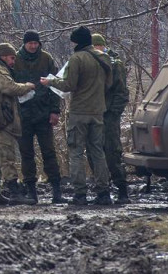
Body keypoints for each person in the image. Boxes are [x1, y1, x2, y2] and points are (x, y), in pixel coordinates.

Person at [40, 26, 114, 205]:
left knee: (76, 152)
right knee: (98, 152)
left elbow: (68, 84)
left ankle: (80, 193)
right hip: (98, 111)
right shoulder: (104, 58)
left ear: (78, 41)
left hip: (79, 112)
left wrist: (50, 82)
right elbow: (109, 84)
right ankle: (103, 193)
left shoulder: (77, 58)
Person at [0, 43, 37, 205]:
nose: (13, 61)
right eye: (12, 58)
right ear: (4, 56)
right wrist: (27, 86)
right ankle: (14, 192)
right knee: (6, 156)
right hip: (0, 121)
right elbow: (9, 87)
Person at [13, 30, 65, 204]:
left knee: (49, 152)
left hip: (43, 114)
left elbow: (54, 86)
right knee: (26, 153)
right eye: (30, 43)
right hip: (23, 115)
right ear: (24, 43)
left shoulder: (46, 59)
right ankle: (31, 191)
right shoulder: (16, 60)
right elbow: (10, 87)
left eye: (36, 43)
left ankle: (56, 190)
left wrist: (55, 111)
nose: (33, 46)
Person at [90, 33, 131, 204]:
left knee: (113, 152)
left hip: (109, 115)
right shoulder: (93, 63)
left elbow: (122, 92)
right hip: (95, 113)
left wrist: (113, 113)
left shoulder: (115, 64)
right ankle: (102, 189)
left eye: (97, 47)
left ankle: (122, 189)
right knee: (95, 152)